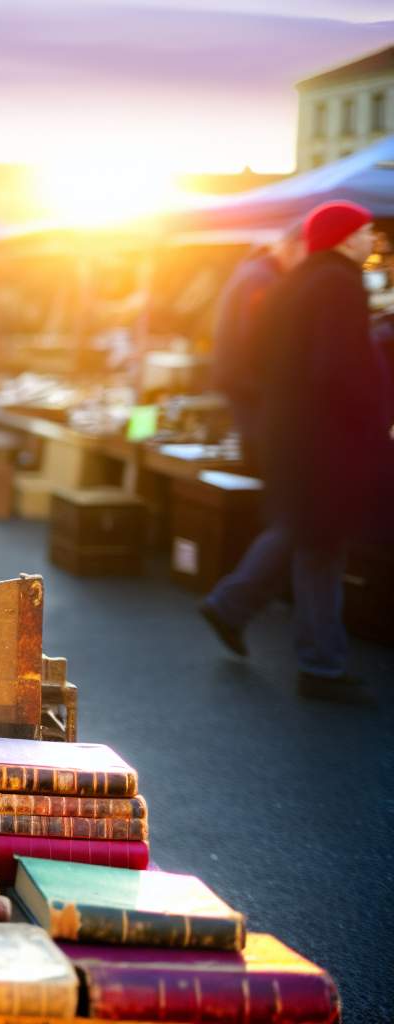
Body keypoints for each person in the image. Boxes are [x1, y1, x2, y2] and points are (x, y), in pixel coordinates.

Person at [199, 202, 389, 701]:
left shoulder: (293, 282)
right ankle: (319, 664)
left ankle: (236, 608)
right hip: (326, 439)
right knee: (319, 545)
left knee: (305, 535)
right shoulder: (339, 283)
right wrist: (376, 410)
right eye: (368, 232)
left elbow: (261, 356)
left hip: (293, 433)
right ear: (346, 237)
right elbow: (339, 367)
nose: (375, 241)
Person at [213, 224, 303, 448]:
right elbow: (258, 337)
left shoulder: (254, 271)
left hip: (244, 385)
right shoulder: (262, 278)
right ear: (293, 246)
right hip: (250, 388)